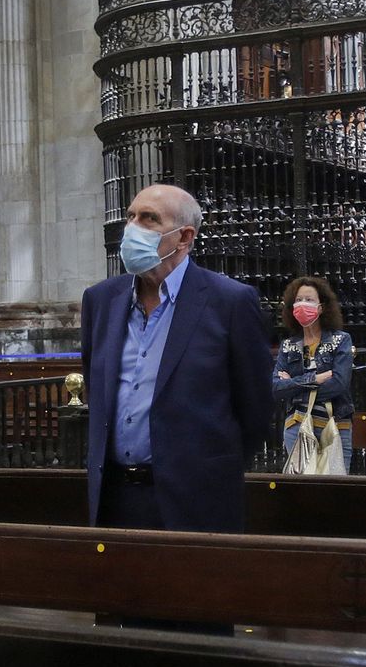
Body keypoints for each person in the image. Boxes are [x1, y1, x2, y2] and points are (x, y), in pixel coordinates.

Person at [80, 183, 273, 535]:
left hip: (196, 499)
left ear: (183, 237)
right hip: (114, 498)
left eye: (148, 219)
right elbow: (97, 390)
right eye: (130, 217)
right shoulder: (101, 300)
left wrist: (210, 467)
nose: (132, 228)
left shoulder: (229, 301)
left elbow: (256, 409)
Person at [271, 276, 354, 473]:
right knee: (302, 492)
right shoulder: (288, 346)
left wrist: (293, 385)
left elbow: (339, 384)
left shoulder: (340, 340)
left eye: (309, 300)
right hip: (297, 427)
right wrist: (314, 379)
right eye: (298, 300)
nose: (302, 304)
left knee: (336, 490)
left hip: (334, 425)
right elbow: (275, 388)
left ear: (321, 307)